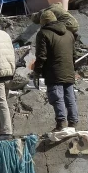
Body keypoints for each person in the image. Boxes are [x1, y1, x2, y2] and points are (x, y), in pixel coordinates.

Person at [34, 8, 78, 137]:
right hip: (69, 70)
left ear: (43, 22)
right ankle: (73, 123)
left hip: (53, 72)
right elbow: (74, 55)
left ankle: (61, 123)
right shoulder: (69, 33)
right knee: (70, 97)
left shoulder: (43, 33)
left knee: (57, 97)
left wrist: (37, 72)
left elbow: (42, 56)